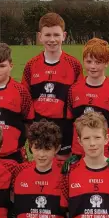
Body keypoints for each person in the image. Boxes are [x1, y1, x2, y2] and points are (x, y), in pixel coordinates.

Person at [22, 12, 83, 160]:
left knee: (62, 168)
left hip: (64, 127)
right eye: (47, 35)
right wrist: (30, 131)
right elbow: (25, 102)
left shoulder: (74, 65)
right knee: (42, 166)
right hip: (38, 126)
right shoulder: (31, 65)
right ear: (40, 36)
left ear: (64, 35)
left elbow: (79, 101)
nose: (52, 40)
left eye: (56, 35)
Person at [67, 38, 109, 157]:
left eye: (98, 62)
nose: (92, 66)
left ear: (107, 62)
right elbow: (68, 124)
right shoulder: (74, 90)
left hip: (105, 156)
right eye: (89, 61)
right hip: (78, 156)